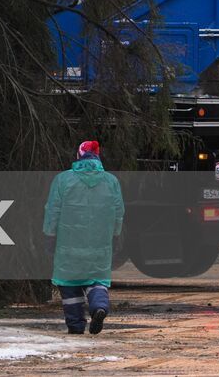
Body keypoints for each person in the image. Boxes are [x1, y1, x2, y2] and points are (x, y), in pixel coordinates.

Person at [44, 140, 125, 335]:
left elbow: (52, 210)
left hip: (68, 244)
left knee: (69, 285)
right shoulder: (111, 181)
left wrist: (49, 234)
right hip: (100, 244)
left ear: (79, 156)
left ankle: (76, 326)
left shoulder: (63, 180)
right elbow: (118, 211)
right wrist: (115, 234)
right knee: (96, 280)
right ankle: (99, 307)